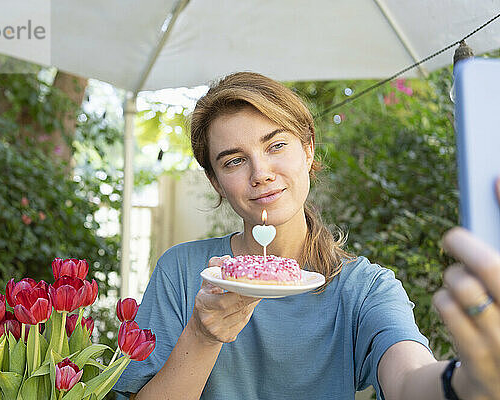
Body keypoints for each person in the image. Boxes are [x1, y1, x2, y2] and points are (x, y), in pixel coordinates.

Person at [114, 71, 500, 399]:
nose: (260, 172)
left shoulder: (363, 289)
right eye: (234, 160)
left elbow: (409, 378)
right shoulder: (183, 272)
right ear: (216, 182)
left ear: (308, 149)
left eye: (276, 145)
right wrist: (202, 333)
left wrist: (467, 380)